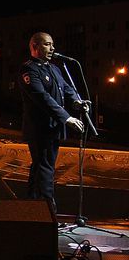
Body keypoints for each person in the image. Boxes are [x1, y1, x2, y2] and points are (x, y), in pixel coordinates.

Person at [19, 32, 85, 214]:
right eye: (47, 44)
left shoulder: (54, 68)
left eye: (52, 44)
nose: (52, 48)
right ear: (35, 46)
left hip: (52, 128)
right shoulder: (29, 69)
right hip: (39, 128)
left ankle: (32, 208)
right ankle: (48, 210)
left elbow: (67, 89)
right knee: (45, 167)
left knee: (40, 166)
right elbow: (41, 97)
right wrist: (67, 117)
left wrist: (76, 101)